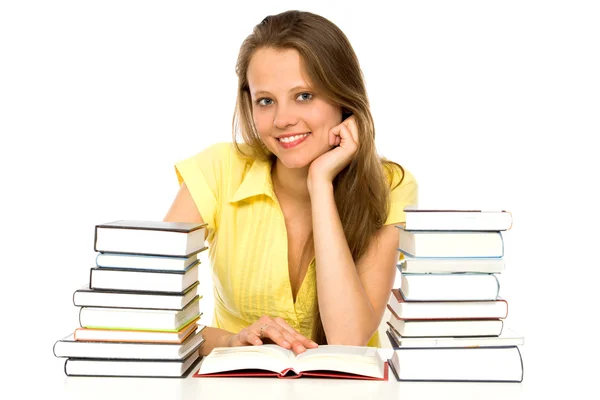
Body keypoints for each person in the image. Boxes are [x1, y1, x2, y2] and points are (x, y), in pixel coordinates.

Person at [164, 10, 417, 356]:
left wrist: (320, 183)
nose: (283, 120)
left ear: (343, 97)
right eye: (265, 101)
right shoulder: (216, 170)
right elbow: (154, 316)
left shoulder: (389, 186)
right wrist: (229, 341)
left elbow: (348, 339)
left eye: (304, 96)